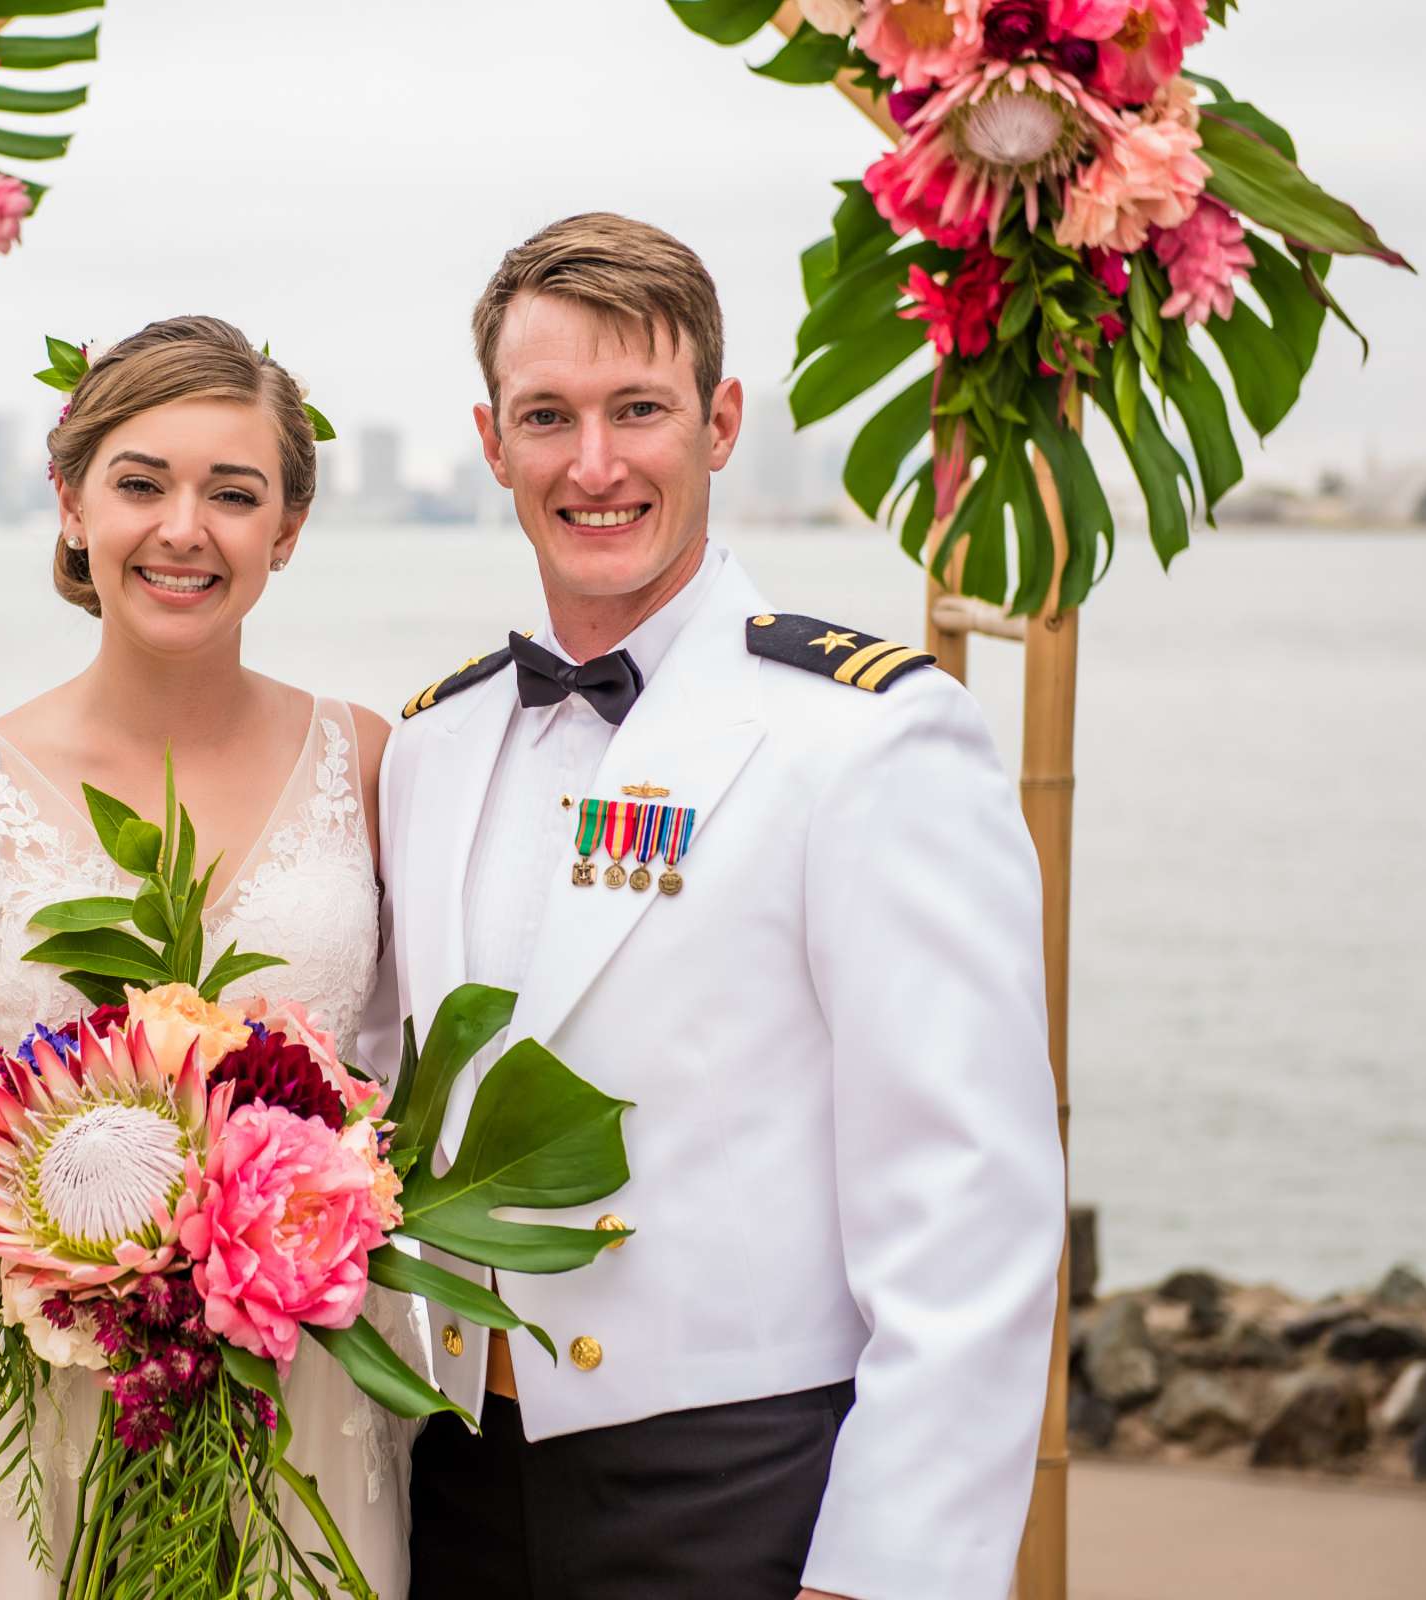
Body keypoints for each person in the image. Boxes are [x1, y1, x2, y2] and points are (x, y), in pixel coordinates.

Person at [371, 213, 1066, 1600]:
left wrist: (889, 1570)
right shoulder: (431, 744)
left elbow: (969, 1200)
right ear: (492, 442)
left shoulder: (867, 742)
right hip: (449, 1473)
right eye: (548, 417)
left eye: (641, 409)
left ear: (722, 420)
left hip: (745, 1485)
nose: (596, 463)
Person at [0, 315, 421, 1597]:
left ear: (286, 530)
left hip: (292, 1398)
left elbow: (421, 1075)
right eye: (141, 482)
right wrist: (50, 1261)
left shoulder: (374, 765)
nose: (185, 527)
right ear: (71, 501)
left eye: (233, 493)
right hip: (15, 1402)